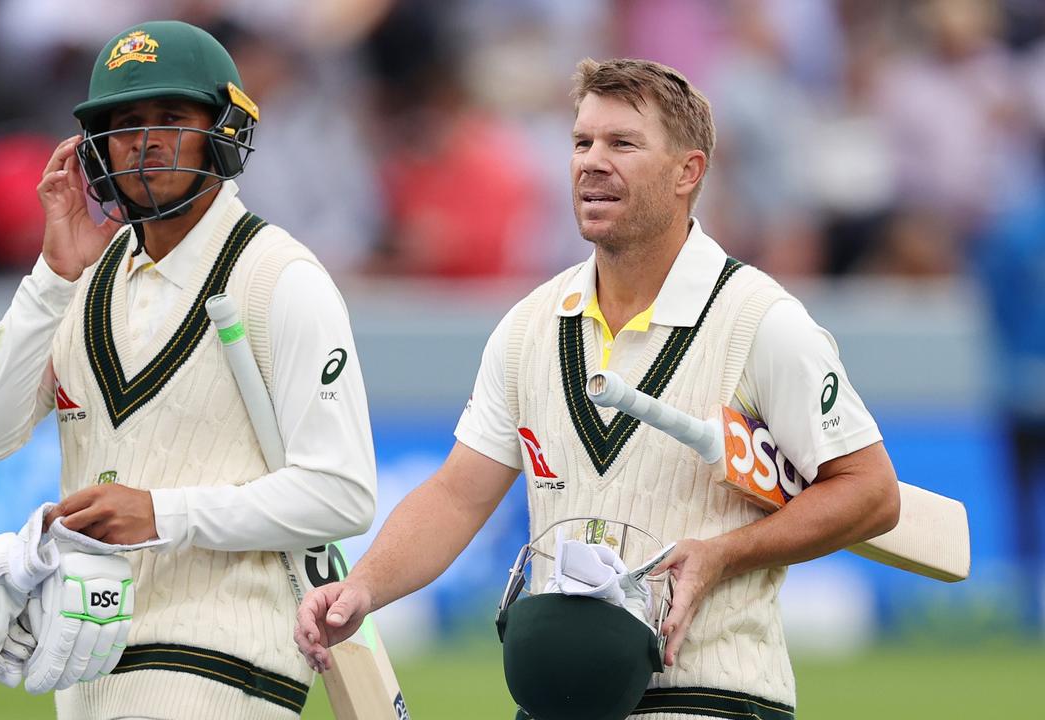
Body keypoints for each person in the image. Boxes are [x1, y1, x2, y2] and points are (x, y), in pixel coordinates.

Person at [295, 58, 901, 719]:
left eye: (622, 144)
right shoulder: (529, 325)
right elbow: (457, 495)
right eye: (581, 142)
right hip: (558, 695)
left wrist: (723, 556)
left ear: (687, 172)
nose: (591, 162)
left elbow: (870, 492)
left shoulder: (762, 322)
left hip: (710, 692)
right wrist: (362, 589)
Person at [0, 21, 376, 720]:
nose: (144, 141)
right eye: (124, 123)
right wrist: (52, 277)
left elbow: (341, 494)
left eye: (172, 118)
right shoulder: (81, 280)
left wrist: (161, 513)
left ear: (224, 129)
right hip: (83, 661)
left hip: (221, 663)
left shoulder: (280, 277)